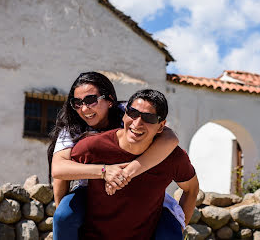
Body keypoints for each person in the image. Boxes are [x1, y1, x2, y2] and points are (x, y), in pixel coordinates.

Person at [47, 72, 182, 240]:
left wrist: (128, 172)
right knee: (64, 217)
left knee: (169, 231)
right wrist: (104, 171)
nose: (84, 108)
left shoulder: (130, 115)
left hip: (140, 188)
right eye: (77, 102)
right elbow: (59, 169)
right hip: (91, 192)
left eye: (90, 100)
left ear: (110, 100)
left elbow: (170, 138)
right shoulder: (72, 128)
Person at [71, 89, 199, 239]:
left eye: (149, 118)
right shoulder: (95, 146)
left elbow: (192, 189)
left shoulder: (173, 158)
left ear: (161, 126)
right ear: (125, 114)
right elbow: (61, 169)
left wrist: (178, 228)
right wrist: (103, 171)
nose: (137, 123)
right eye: (133, 113)